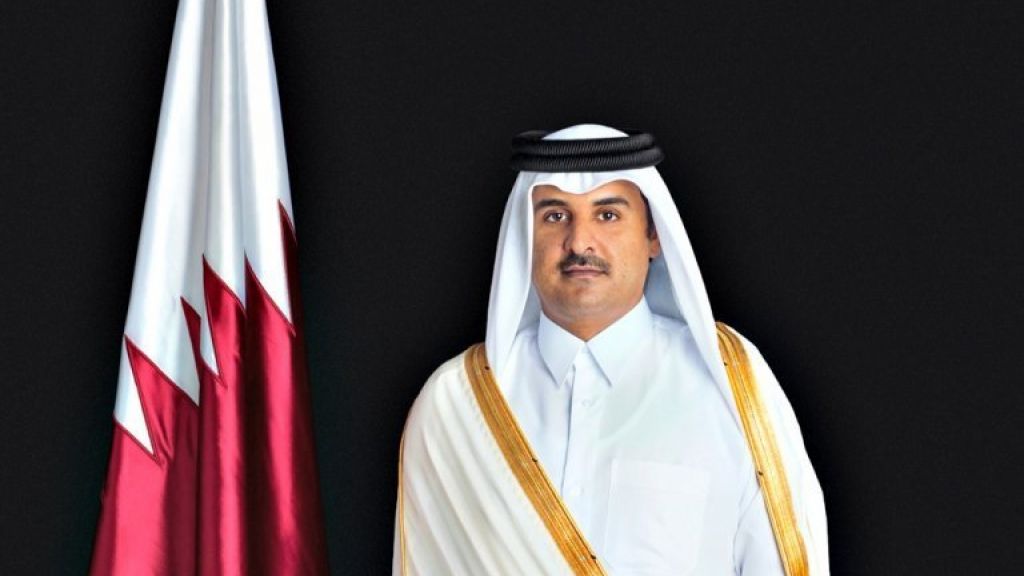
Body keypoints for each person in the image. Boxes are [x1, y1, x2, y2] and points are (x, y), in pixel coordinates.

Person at [394, 124, 828, 575]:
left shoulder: (729, 385)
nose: (580, 242)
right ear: (525, 236)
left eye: (607, 215)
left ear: (654, 235)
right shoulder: (456, 403)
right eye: (555, 216)